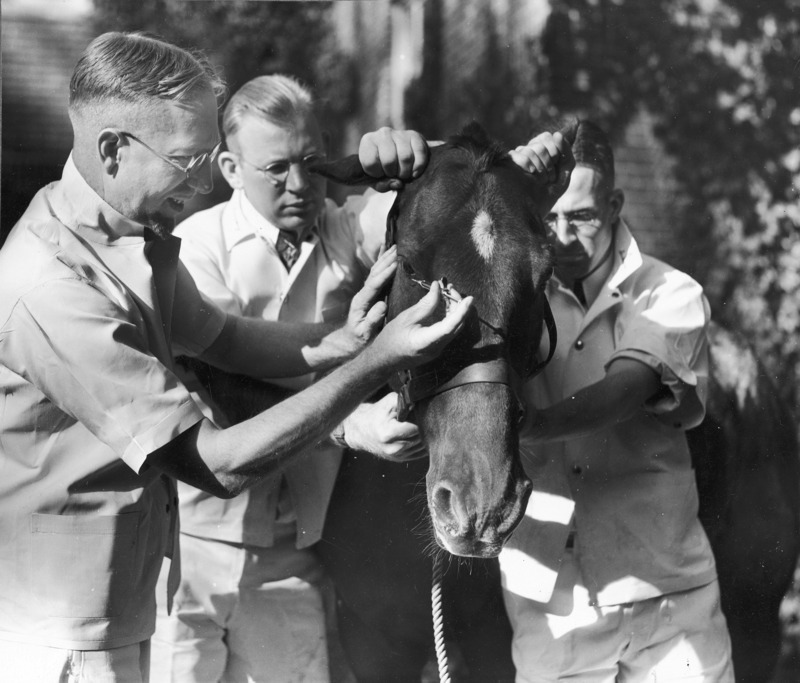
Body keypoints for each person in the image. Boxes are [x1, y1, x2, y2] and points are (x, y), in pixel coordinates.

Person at [0, 31, 475, 683]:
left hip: (121, 603)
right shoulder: (53, 290)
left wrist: (342, 340)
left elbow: (222, 336)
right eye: (187, 159)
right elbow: (216, 464)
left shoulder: (122, 238)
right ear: (113, 150)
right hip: (62, 634)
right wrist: (367, 367)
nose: (201, 183)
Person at [150, 74, 428, 683]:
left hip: (294, 547)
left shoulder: (344, 229)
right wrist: (348, 423)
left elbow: (414, 215)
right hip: (191, 544)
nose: (299, 185)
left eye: (310, 161)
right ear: (229, 166)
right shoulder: (196, 245)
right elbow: (222, 378)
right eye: (275, 169)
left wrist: (408, 159)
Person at [499, 120, 735, 681]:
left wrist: (525, 424)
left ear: (614, 205)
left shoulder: (671, 293)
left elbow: (623, 390)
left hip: (668, 596)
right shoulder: (512, 301)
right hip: (553, 603)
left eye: (579, 216)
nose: (560, 236)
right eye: (548, 217)